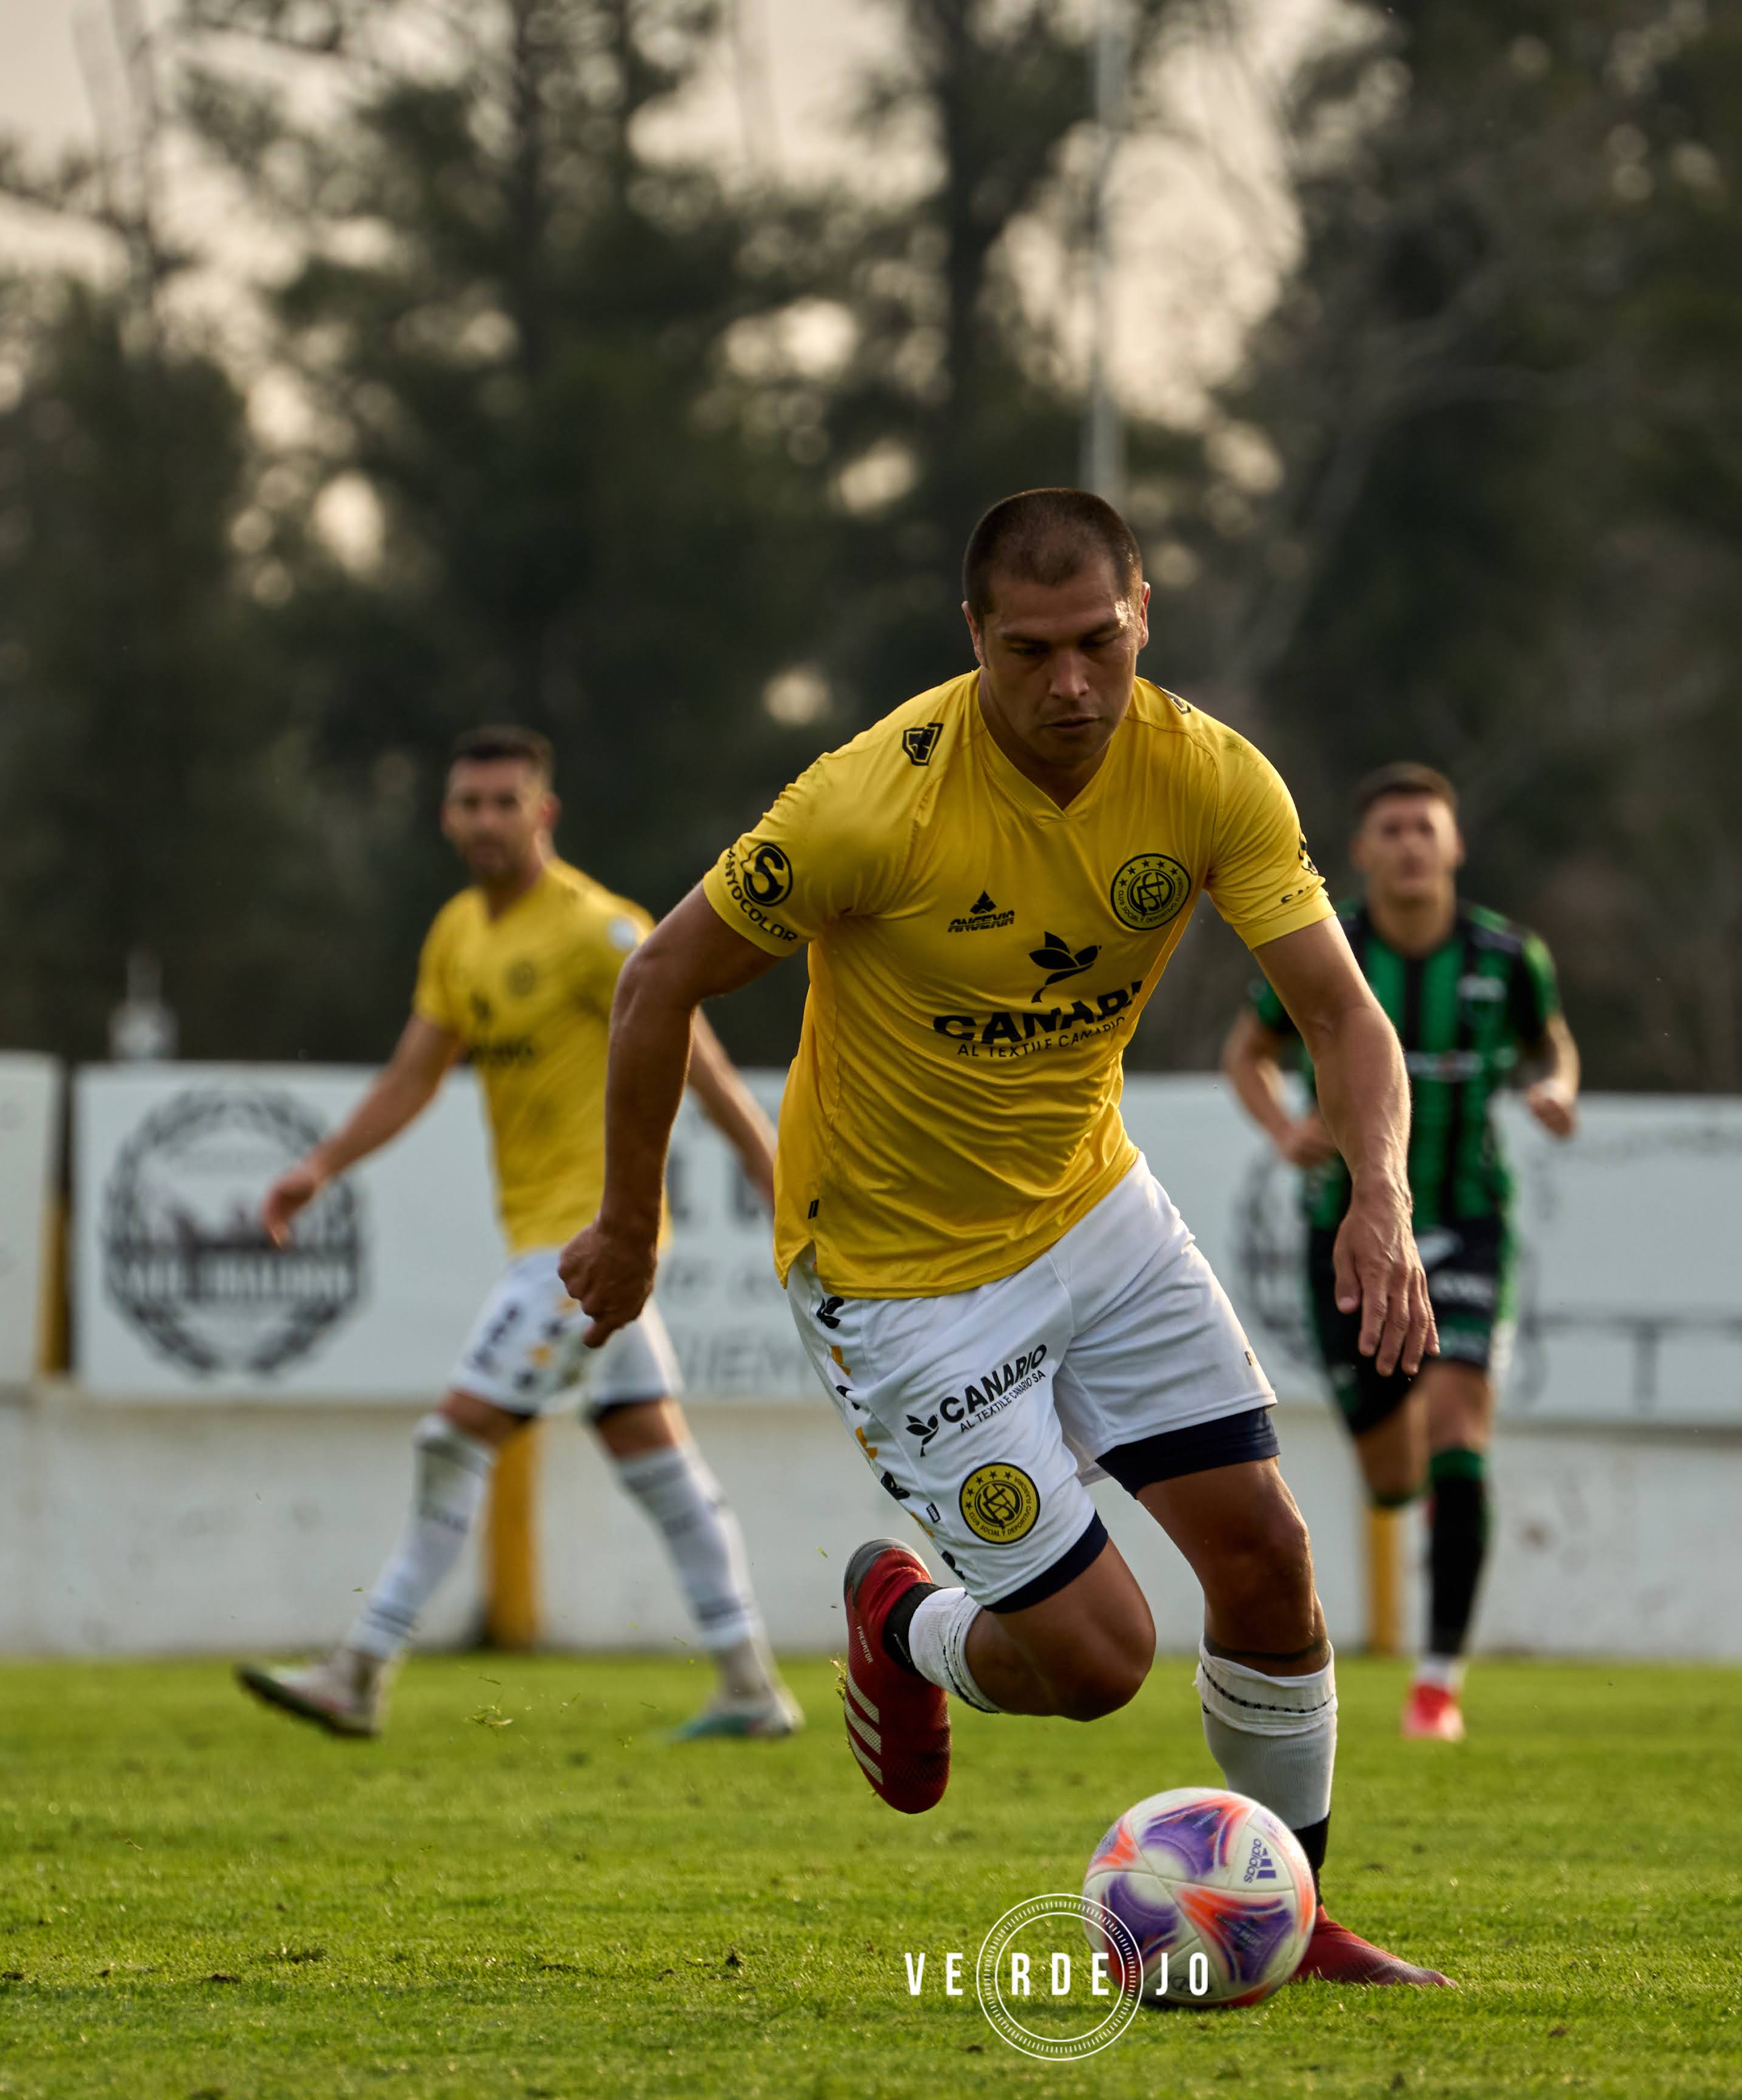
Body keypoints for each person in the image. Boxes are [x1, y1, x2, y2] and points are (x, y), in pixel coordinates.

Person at [557, 487, 1452, 1986]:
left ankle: (1286, 1921)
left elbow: (1341, 1012)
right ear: (972, 635)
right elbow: (656, 980)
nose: (1070, 685)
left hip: (1095, 1212)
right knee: (1098, 1666)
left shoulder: (1208, 779)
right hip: (900, 1280)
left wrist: (1381, 1193)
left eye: (1097, 642)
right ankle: (902, 1624)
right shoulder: (867, 801)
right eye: (1029, 650)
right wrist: (630, 1229)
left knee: (1270, 1564)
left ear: (1142, 614)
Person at [236, 726, 799, 1744]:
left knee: (452, 1438)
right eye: (469, 803)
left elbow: (700, 1061)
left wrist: (769, 1170)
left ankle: (360, 1669)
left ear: (543, 813)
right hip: (545, 1245)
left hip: (587, 1248)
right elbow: (414, 1075)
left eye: (506, 802)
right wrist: (318, 1166)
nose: (487, 820)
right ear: (448, 818)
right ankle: (751, 1686)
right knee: (662, 1470)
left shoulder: (597, 928)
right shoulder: (460, 933)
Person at [1220, 762, 1576, 1744]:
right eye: (1391, 829)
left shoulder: (1507, 956)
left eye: (1427, 827)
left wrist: (1555, 1088)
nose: (1411, 844)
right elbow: (1245, 1051)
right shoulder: (1324, 952)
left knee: (1460, 1418)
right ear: (1361, 853)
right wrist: (1280, 1127)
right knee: (1390, 1470)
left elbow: (1550, 1044)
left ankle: (1438, 1678)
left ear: (1454, 846)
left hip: (1464, 1215)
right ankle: (1408, 1489)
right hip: (1345, 1224)